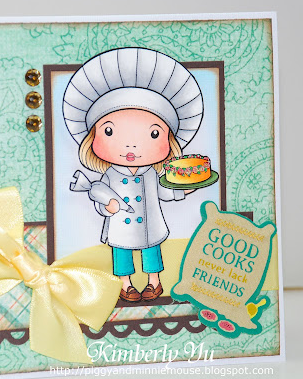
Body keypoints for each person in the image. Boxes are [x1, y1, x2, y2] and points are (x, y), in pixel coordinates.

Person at [63, 47, 204, 302]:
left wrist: (184, 189)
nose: (131, 146)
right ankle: (125, 284)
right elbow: (100, 197)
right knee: (122, 255)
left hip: (151, 224)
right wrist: (107, 206)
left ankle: (154, 282)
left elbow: (164, 191)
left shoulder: (151, 172)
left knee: (152, 251)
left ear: (169, 142)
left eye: (153, 134)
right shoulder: (110, 174)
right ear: (92, 139)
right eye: (109, 132)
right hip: (120, 226)